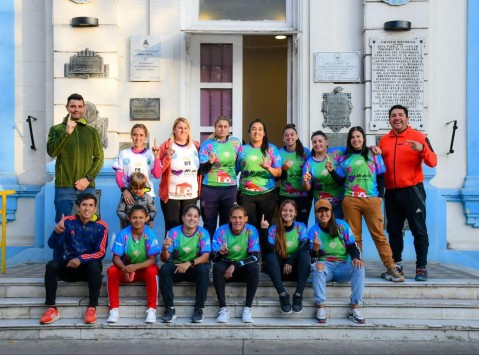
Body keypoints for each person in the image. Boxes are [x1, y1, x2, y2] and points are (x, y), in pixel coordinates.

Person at [333, 126, 404, 282]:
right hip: (351, 200)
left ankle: (391, 267)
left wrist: (380, 197)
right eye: (352, 137)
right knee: (354, 237)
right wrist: (332, 171)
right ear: (349, 140)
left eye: (358, 136)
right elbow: (339, 180)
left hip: (372, 199)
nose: (356, 140)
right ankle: (356, 268)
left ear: (363, 138)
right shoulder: (344, 159)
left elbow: (381, 176)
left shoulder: (373, 154)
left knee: (379, 235)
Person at [379, 104, 438, 281]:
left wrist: (422, 149)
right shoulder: (384, 140)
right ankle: (396, 266)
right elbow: (379, 166)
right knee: (394, 230)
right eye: (393, 115)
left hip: (413, 190)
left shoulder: (419, 137)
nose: (397, 118)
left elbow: (433, 161)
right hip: (391, 192)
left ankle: (421, 267)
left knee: (418, 229)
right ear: (389, 119)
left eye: (400, 115)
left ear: (407, 118)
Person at [39, 193, 108, 325]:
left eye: (90, 205)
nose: (87, 209)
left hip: (88, 269)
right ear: (78, 207)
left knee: (95, 265)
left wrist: (81, 259)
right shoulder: (68, 222)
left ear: (95, 209)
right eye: (84, 205)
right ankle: (52, 309)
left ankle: (92, 308)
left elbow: (101, 252)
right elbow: (52, 245)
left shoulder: (101, 226)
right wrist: (57, 233)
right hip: (69, 266)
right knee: (51, 266)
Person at [47, 93, 104, 225]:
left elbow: (99, 158)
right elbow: (52, 152)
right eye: (73, 106)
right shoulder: (56, 130)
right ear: (67, 107)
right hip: (64, 188)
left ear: (84, 108)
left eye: (79, 106)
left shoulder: (91, 132)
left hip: (87, 187)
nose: (76, 109)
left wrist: (88, 179)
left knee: (89, 227)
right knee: (63, 226)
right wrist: (66, 133)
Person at [309, 199, 365, 324]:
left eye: (326, 210)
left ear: (331, 211)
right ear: (316, 214)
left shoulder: (342, 226)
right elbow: (312, 259)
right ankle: (320, 307)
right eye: (320, 211)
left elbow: (352, 246)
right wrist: (315, 250)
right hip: (325, 268)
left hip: (342, 266)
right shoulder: (313, 231)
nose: (323, 214)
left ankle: (355, 308)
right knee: (318, 266)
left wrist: (357, 258)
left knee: (359, 267)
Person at [107, 205, 161, 323]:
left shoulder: (150, 234)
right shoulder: (123, 234)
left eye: (141, 217)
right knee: (111, 271)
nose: (138, 220)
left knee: (152, 271)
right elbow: (115, 258)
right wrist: (125, 268)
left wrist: (135, 267)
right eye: (134, 217)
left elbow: (152, 259)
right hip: (126, 270)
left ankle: (152, 310)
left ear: (146, 218)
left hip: (143, 270)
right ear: (129, 218)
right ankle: (114, 309)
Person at [236, 119, 282, 252]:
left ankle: (266, 256)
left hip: (267, 194)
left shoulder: (271, 149)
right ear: (249, 132)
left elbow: (278, 172)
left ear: (264, 133)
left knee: (264, 225)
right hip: (246, 194)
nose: (257, 132)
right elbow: (235, 170)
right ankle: (252, 254)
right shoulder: (242, 150)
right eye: (254, 129)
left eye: (260, 129)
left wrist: (269, 168)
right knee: (249, 226)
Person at [159, 205, 210, 323]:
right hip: (177, 267)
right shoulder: (173, 232)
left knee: (203, 270)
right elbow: (164, 259)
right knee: (164, 269)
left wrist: (189, 263)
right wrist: (165, 249)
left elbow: (206, 257)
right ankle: (170, 309)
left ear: (198, 219)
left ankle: (199, 309)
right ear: (183, 217)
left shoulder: (203, 233)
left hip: (194, 268)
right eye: (189, 215)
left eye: (195, 216)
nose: (192, 219)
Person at [211, 205, 260, 323]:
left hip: (241, 267)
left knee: (254, 268)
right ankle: (223, 309)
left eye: (240, 217)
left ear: (246, 219)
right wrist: (221, 254)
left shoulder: (251, 230)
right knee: (217, 267)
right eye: (234, 217)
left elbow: (255, 257)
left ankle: (247, 309)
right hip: (225, 267)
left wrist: (235, 266)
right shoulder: (221, 231)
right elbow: (213, 258)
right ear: (230, 219)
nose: (237, 220)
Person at [261, 200, 310, 314]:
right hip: (279, 271)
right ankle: (282, 294)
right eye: (284, 210)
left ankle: (298, 294)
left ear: (295, 213)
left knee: (305, 255)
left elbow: (304, 246)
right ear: (280, 212)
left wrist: (291, 260)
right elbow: (268, 249)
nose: (287, 213)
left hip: (296, 270)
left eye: (291, 210)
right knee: (270, 256)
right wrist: (264, 230)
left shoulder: (300, 227)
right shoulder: (273, 229)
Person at [198, 116, 242, 240]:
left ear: (229, 128)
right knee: (209, 224)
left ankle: (222, 252)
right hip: (210, 188)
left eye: (225, 126)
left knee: (227, 224)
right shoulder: (207, 144)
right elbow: (201, 170)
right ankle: (207, 253)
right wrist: (210, 162)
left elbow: (239, 165)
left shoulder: (236, 143)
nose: (222, 129)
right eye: (219, 126)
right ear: (215, 128)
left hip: (229, 189)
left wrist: (230, 175)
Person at [112, 123, 161, 223]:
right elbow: (118, 176)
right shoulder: (123, 153)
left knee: (146, 231)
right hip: (128, 197)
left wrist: (157, 157)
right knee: (126, 231)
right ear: (131, 136)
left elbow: (157, 175)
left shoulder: (151, 154)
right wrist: (125, 191)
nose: (138, 138)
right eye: (135, 134)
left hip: (147, 197)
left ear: (146, 137)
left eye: (141, 135)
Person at [159, 117, 201, 232]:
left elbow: (201, 169)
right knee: (172, 229)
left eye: (186, 128)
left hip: (191, 195)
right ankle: (169, 251)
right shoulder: (167, 146)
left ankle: (187, 250)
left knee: (188, 228)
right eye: (180, 128)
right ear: (174, 130)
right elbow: (158, 171)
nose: (183, 130)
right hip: (171, 196)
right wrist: (167, 158)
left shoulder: (196, 146)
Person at [302, 130, 346, 219]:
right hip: (321, 202)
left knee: (338, 229)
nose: (317, 144)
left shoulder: (337, 152)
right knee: (322, 230)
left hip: (339, 200)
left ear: (326, 142)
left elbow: (356, 148)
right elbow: (306, 188)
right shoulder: (309, 164)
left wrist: (372, 148)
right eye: (314, 142)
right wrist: (306, 182)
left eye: (320, 141)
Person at [278, 124, 311, 225]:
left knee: (302, 224)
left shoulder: (306, 152)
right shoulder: (279, 153)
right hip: (285, 195)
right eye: (286, 135)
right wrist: (284, 169)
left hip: (303, 196)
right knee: (285, 224)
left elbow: (311, 172)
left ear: (297, 136)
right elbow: (276, 176)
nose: (289, 137)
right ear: (283, 138)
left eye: (292, 134)